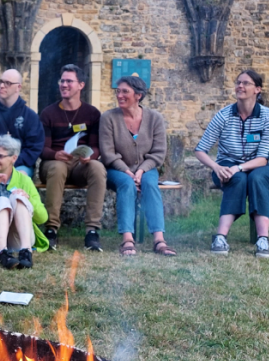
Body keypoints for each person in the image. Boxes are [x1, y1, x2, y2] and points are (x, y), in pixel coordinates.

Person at [194, 69, 269, 259]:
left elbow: (263, 159)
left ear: (257, 89)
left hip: (262, 167)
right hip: (227, 164)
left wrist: (239, 167)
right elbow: (200, 150)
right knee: (237, 179)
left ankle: (263, 240)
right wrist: (216, 167)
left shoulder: (268, 117)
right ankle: (220, 237)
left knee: (256, 178)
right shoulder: (223, 115)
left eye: (246, 83)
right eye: (238, 82)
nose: (240, 86)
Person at [99, 76, 173, 257]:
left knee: (149, 183)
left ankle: (159, 239)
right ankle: (127, 239)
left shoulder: (155, 118)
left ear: (138, 95)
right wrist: (127, 171)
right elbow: (107, 152)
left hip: (146, 168)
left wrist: (140, 170)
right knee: (126, 183)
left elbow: (158, 153)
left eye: (125, 91)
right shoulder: (109, 118)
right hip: (117, 170)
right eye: (118, 91)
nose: (120, 95)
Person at [38, 64, 107, 251]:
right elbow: (41, 148)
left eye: (69, 81)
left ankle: (92, 231)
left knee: (97, 168)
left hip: (79, 164)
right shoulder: (48, 113)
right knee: (58, 168)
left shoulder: (92, 114)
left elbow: (95, 146)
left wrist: (91, 156)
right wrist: (55, 154)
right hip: (53, 163)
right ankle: (51, 228)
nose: (64, 84)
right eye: (62, 80)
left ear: (81, 85)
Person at [0, 134, 49, 269]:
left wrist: (27, 198)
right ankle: (2, 253)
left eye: (0, 156)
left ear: (14, 158)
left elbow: (42, 218)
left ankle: (26, 251)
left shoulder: (24, 180)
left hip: (18, 238)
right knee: (2, 201)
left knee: (19, 197)